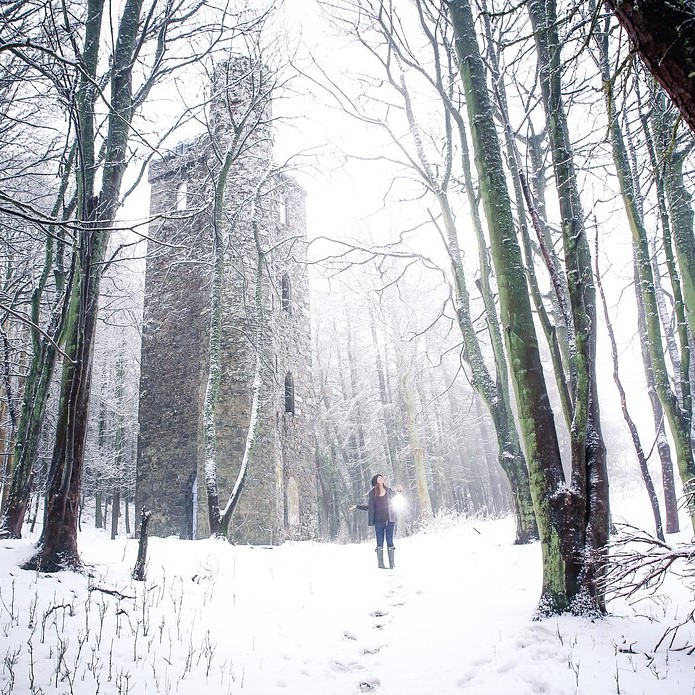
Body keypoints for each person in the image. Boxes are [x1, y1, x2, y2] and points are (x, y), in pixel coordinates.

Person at [349, 473, 403, 569]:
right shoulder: (373, 493)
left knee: (390, 540)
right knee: (379, 542)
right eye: (379, 477)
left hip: (390, 520)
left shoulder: (389, 491)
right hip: (378, 521)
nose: (381, 478)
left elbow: (397, 496)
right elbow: (369, 507)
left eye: (382, 477)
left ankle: (392, 564)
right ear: (375, 481)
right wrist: (357, 506)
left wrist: (399, 491)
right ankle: (381, 564)